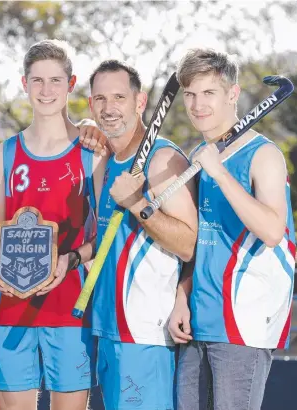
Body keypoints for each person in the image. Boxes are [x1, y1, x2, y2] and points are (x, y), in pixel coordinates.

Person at [167, 48, 296, 410]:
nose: (197, 105)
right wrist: (181, 296)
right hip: (198, 320)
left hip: (244, 322)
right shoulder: (199, 157)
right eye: (190, 94)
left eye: (208, 93)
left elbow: (272, 231)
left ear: (233, 95)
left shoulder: (263, 154)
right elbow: (199, 240)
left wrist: (221, 173)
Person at [0, 39, 105, 410]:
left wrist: (71, 258)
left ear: (71, 84)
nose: (46, 90)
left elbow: (107, 235)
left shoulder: (92, 151)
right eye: (37, 81)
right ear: (24, 83)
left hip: (70, 307)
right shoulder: (5, 153)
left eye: (55, 80)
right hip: (11, 303)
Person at [83, 60, 198, 410]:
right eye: (100, 99)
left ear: (140, 100)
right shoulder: (104, 162)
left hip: (144, 332)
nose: (108, 108)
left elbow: (188, 244)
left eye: (119, 96)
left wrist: (136, 203)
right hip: (105, 327)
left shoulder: (163, 160)